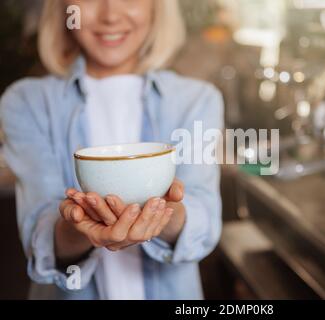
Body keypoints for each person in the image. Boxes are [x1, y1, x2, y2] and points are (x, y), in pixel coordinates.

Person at [0, 0, 223, 300]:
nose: (111, 15)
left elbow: (204, 224)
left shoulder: (197, 100)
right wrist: (82, 226)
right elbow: (39, 241)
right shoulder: (27, 102)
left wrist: (162, 213)